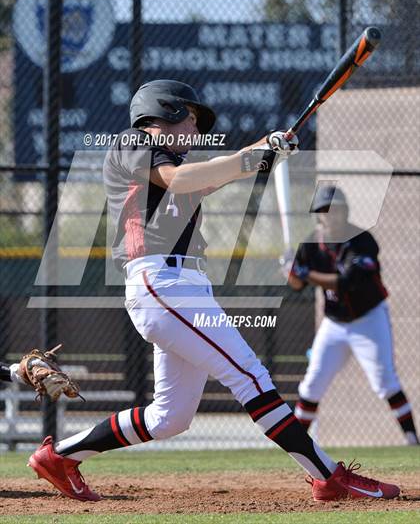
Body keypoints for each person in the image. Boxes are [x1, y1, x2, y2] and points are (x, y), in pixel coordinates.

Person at [28, 79, 400, 502]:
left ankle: (60, 457)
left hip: (180, 287)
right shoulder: (133, 142)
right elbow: (181, 178)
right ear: (163, 112)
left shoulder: (174, 169)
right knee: (249, 377)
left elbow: (207, 177)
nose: (195, 129)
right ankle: (329, 477)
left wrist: (267, 147)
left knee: (170, 417)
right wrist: (249, 160)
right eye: (190, 118)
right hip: (162, 282)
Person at [286, 185, 419, 446]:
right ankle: (295, 445)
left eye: (333, 210)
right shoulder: (312, 243)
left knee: (385, 382)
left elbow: (345, 281)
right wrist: (290, 270)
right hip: (334, 323)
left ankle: (413, 442)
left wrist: (305, 273)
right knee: (312, 385)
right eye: (323, 211)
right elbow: (297, 285)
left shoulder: (363, 240)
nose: (328, 216)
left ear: (344, 212)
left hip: (368, 318)